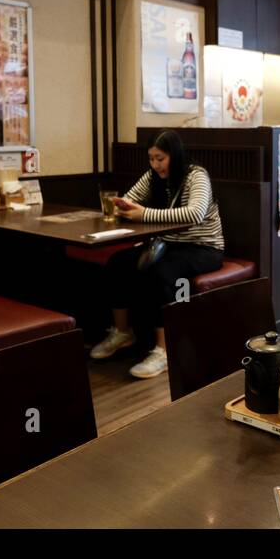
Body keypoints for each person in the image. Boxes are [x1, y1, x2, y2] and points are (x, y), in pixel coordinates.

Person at [88, 130, 224, 379]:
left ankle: (164, 350)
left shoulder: (196, 176)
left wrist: (143, 214)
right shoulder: (153, 177)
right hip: (167, 244)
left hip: (204, 247)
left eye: (160, 158)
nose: (155, 164)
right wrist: (123, 208)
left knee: (163, 271)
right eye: (151, 159)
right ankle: (122, 332)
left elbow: (194, 213)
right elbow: (129, 200)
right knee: (117, 262)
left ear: (175, 154)